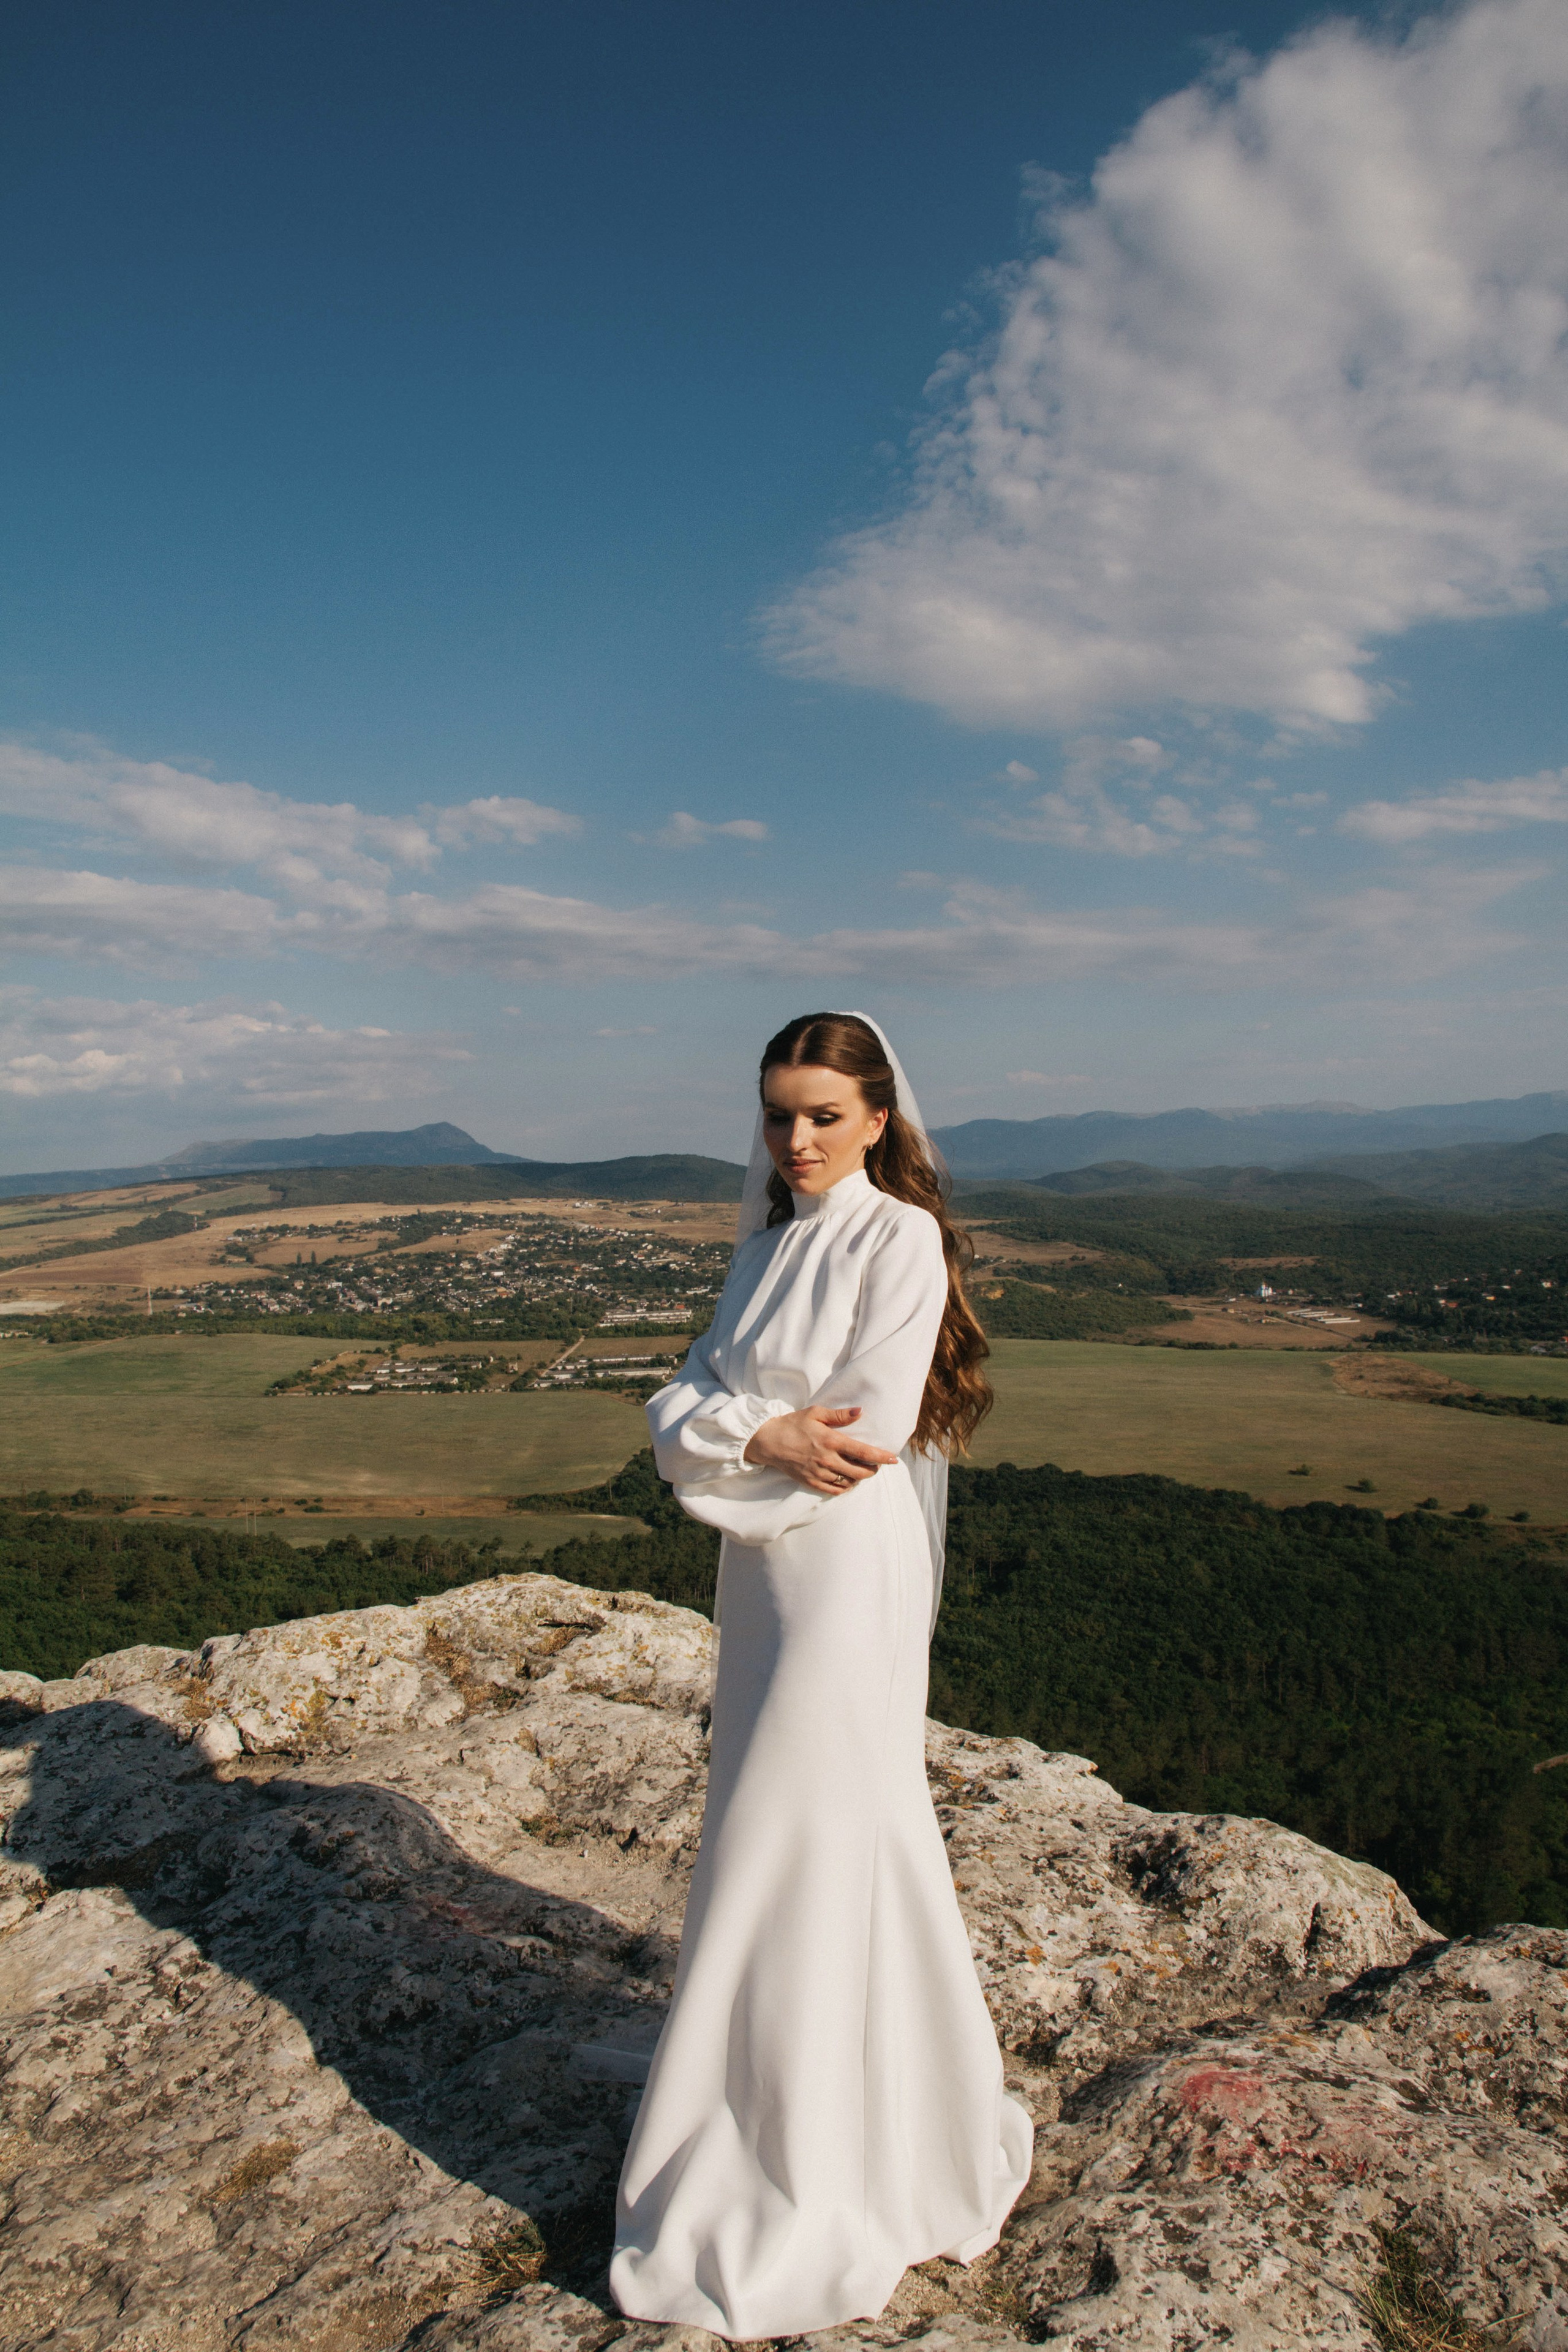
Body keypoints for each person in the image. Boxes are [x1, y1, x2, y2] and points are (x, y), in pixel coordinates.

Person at [609, 1011, 1033, 2339]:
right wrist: (752, 1432)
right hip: (762, 1579)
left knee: (794, 1833)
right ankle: (841, 2117)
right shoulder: (769, 1244)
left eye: (821, 1115)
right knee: (793, 1831)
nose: (793, 1141)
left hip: (843, 1576)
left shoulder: (893, 1238)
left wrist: (745, 1437)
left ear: (877, 1120)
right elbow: (671, 1403)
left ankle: (814, 2162)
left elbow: (867, 1433)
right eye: (777, 1114)